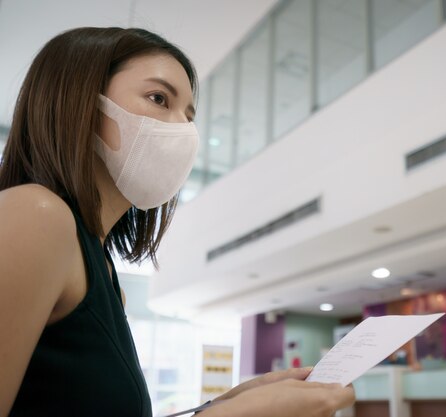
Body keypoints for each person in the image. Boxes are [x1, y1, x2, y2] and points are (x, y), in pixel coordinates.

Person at [0, 27, 355, 417]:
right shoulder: (36, 215)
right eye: (159, 98)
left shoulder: (100, 270)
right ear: (78, 100)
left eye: (189, 116)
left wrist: (227, 403)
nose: (183, 130)